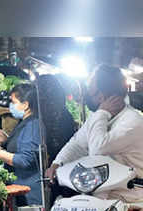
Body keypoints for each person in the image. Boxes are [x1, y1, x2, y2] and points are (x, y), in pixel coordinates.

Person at [46, 64, 143, 202]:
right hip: (103, 197)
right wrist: (58, 163)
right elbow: (78, 144)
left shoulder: (132, 121)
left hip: (131, 199)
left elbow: (98, 149)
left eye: (91, 93)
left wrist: (102, 112)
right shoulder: (99, 117)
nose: (87, 97)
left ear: (102, 96)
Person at [0, 83, 44, 205]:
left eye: (13, 102)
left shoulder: (33, 125)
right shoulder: (24, 122)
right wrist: (6, 140)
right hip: (19, 190)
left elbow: (24, 160)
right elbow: (22, 145)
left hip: (28, 194)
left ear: (25, 105)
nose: (10, 106)